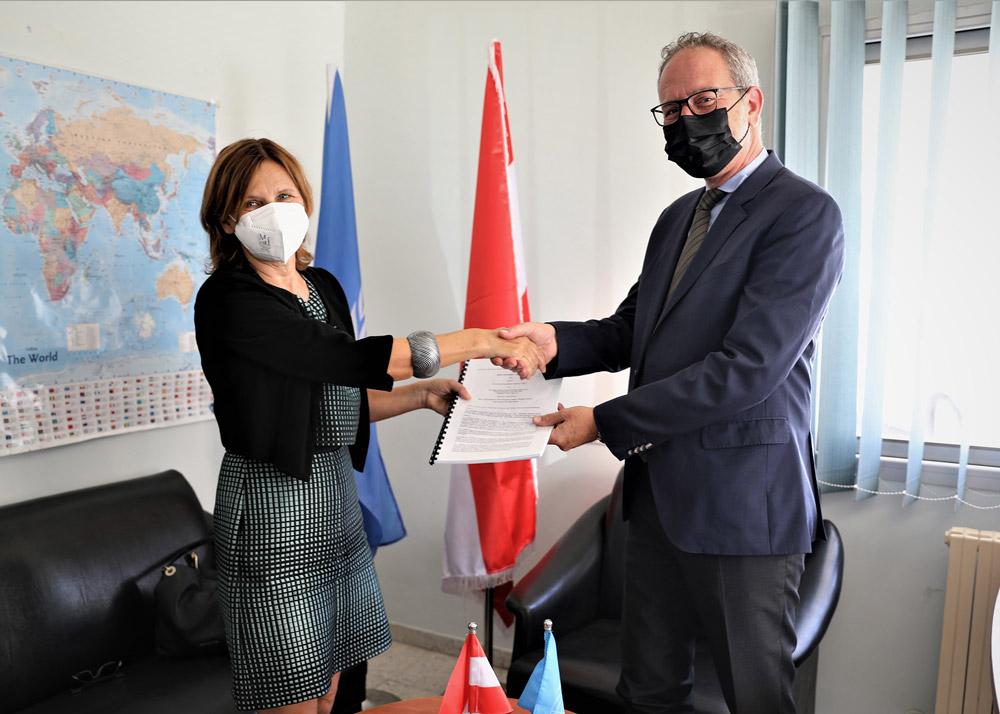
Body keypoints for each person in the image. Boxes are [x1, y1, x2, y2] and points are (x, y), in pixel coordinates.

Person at [499, 32, 845, 714]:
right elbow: (633, 329)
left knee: (755, 699)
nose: (687, 119)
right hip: (656, 502)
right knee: (648, 693)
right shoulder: (677, 218)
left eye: (704, 100)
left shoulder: (804, 213)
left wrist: (602, 422)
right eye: (671, 109)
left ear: (752, 102)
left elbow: (747, 370)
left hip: (744, 511)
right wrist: (554, 342)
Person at [194, 138, 545, 714]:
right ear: (228, 219)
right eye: (253, 203)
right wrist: (481, 340)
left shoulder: (322, 286)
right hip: (271, 511)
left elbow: (338, 396)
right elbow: (352, 359)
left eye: (284, 195)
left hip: (336, 505)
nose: (273, 211)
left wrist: (418, 396)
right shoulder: (229, 298)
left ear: (304, 201)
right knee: (289, 694)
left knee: (335, 691)